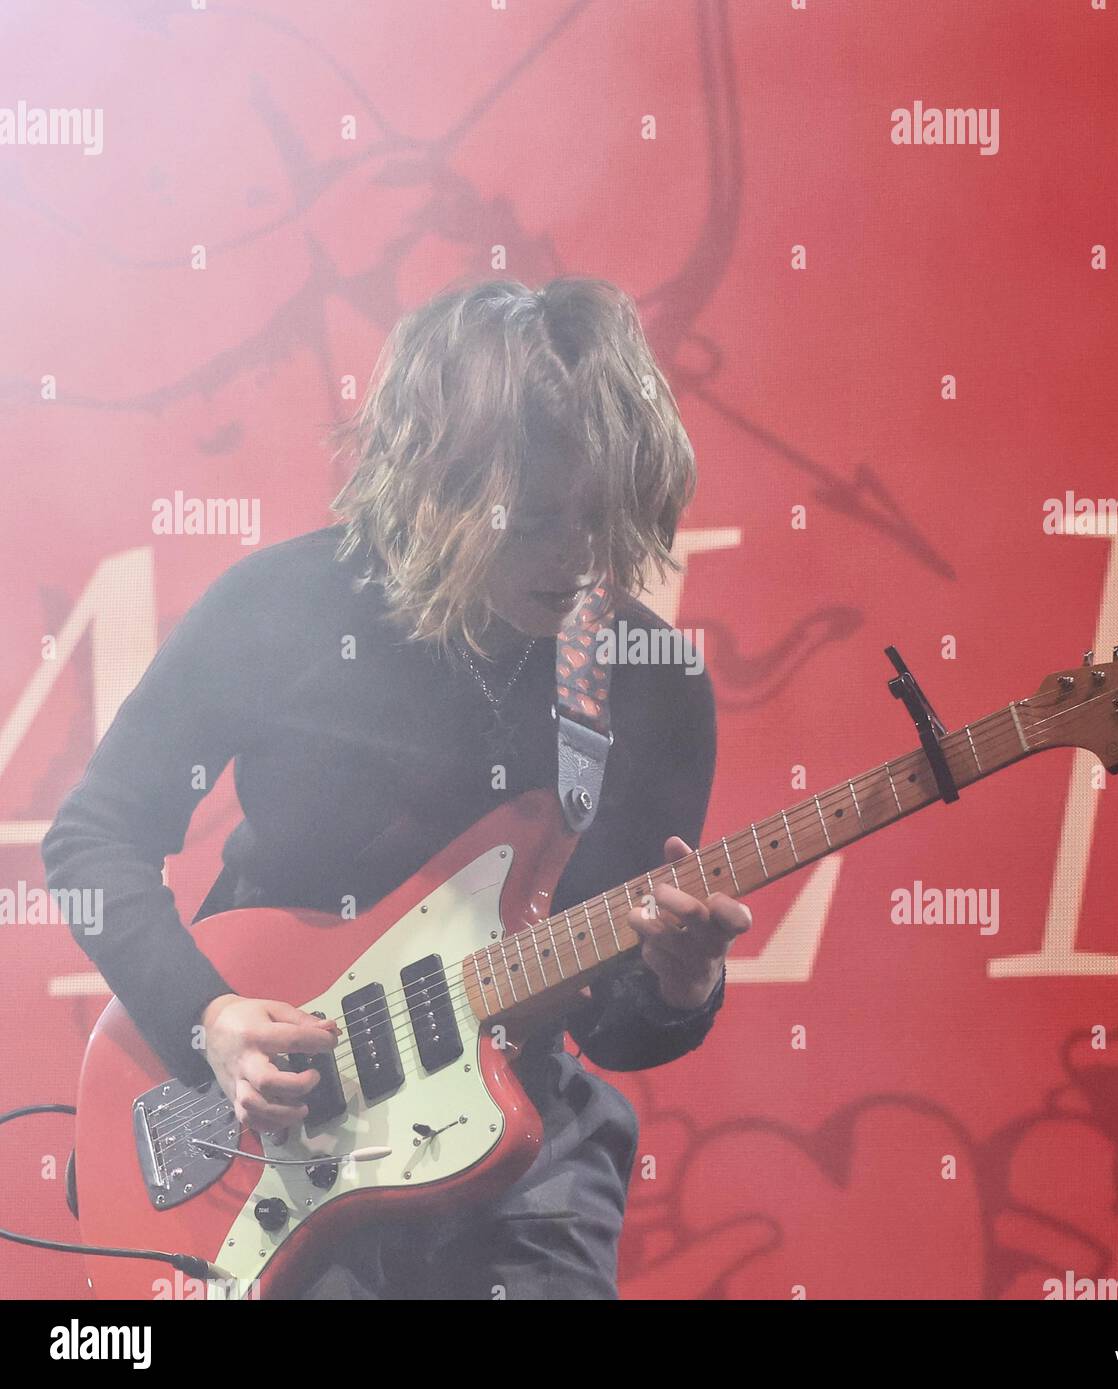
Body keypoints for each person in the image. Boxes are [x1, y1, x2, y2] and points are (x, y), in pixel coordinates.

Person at [41, 275, 750, 1300]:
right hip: (270, 1128)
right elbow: (93, 837)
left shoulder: (648, 683)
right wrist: (209, 1019)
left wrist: (682, 986)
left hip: (515, 1144)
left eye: (602, 516)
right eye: (539, 521)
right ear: (434, 480)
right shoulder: (280, 607)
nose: (581, 556)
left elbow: (612, 1025)